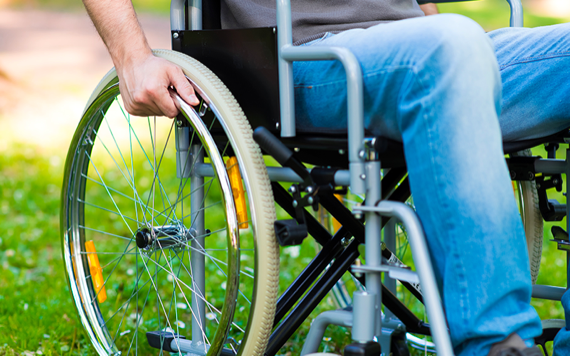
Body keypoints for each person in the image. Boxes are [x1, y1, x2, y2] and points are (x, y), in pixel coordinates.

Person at [81, 0, 570, 355]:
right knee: (450, 46)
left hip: (424, 48)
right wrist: (132, 57)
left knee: (460, 45)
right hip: (301, 61)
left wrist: (457, 73)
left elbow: (428, 18)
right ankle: (498, 344)